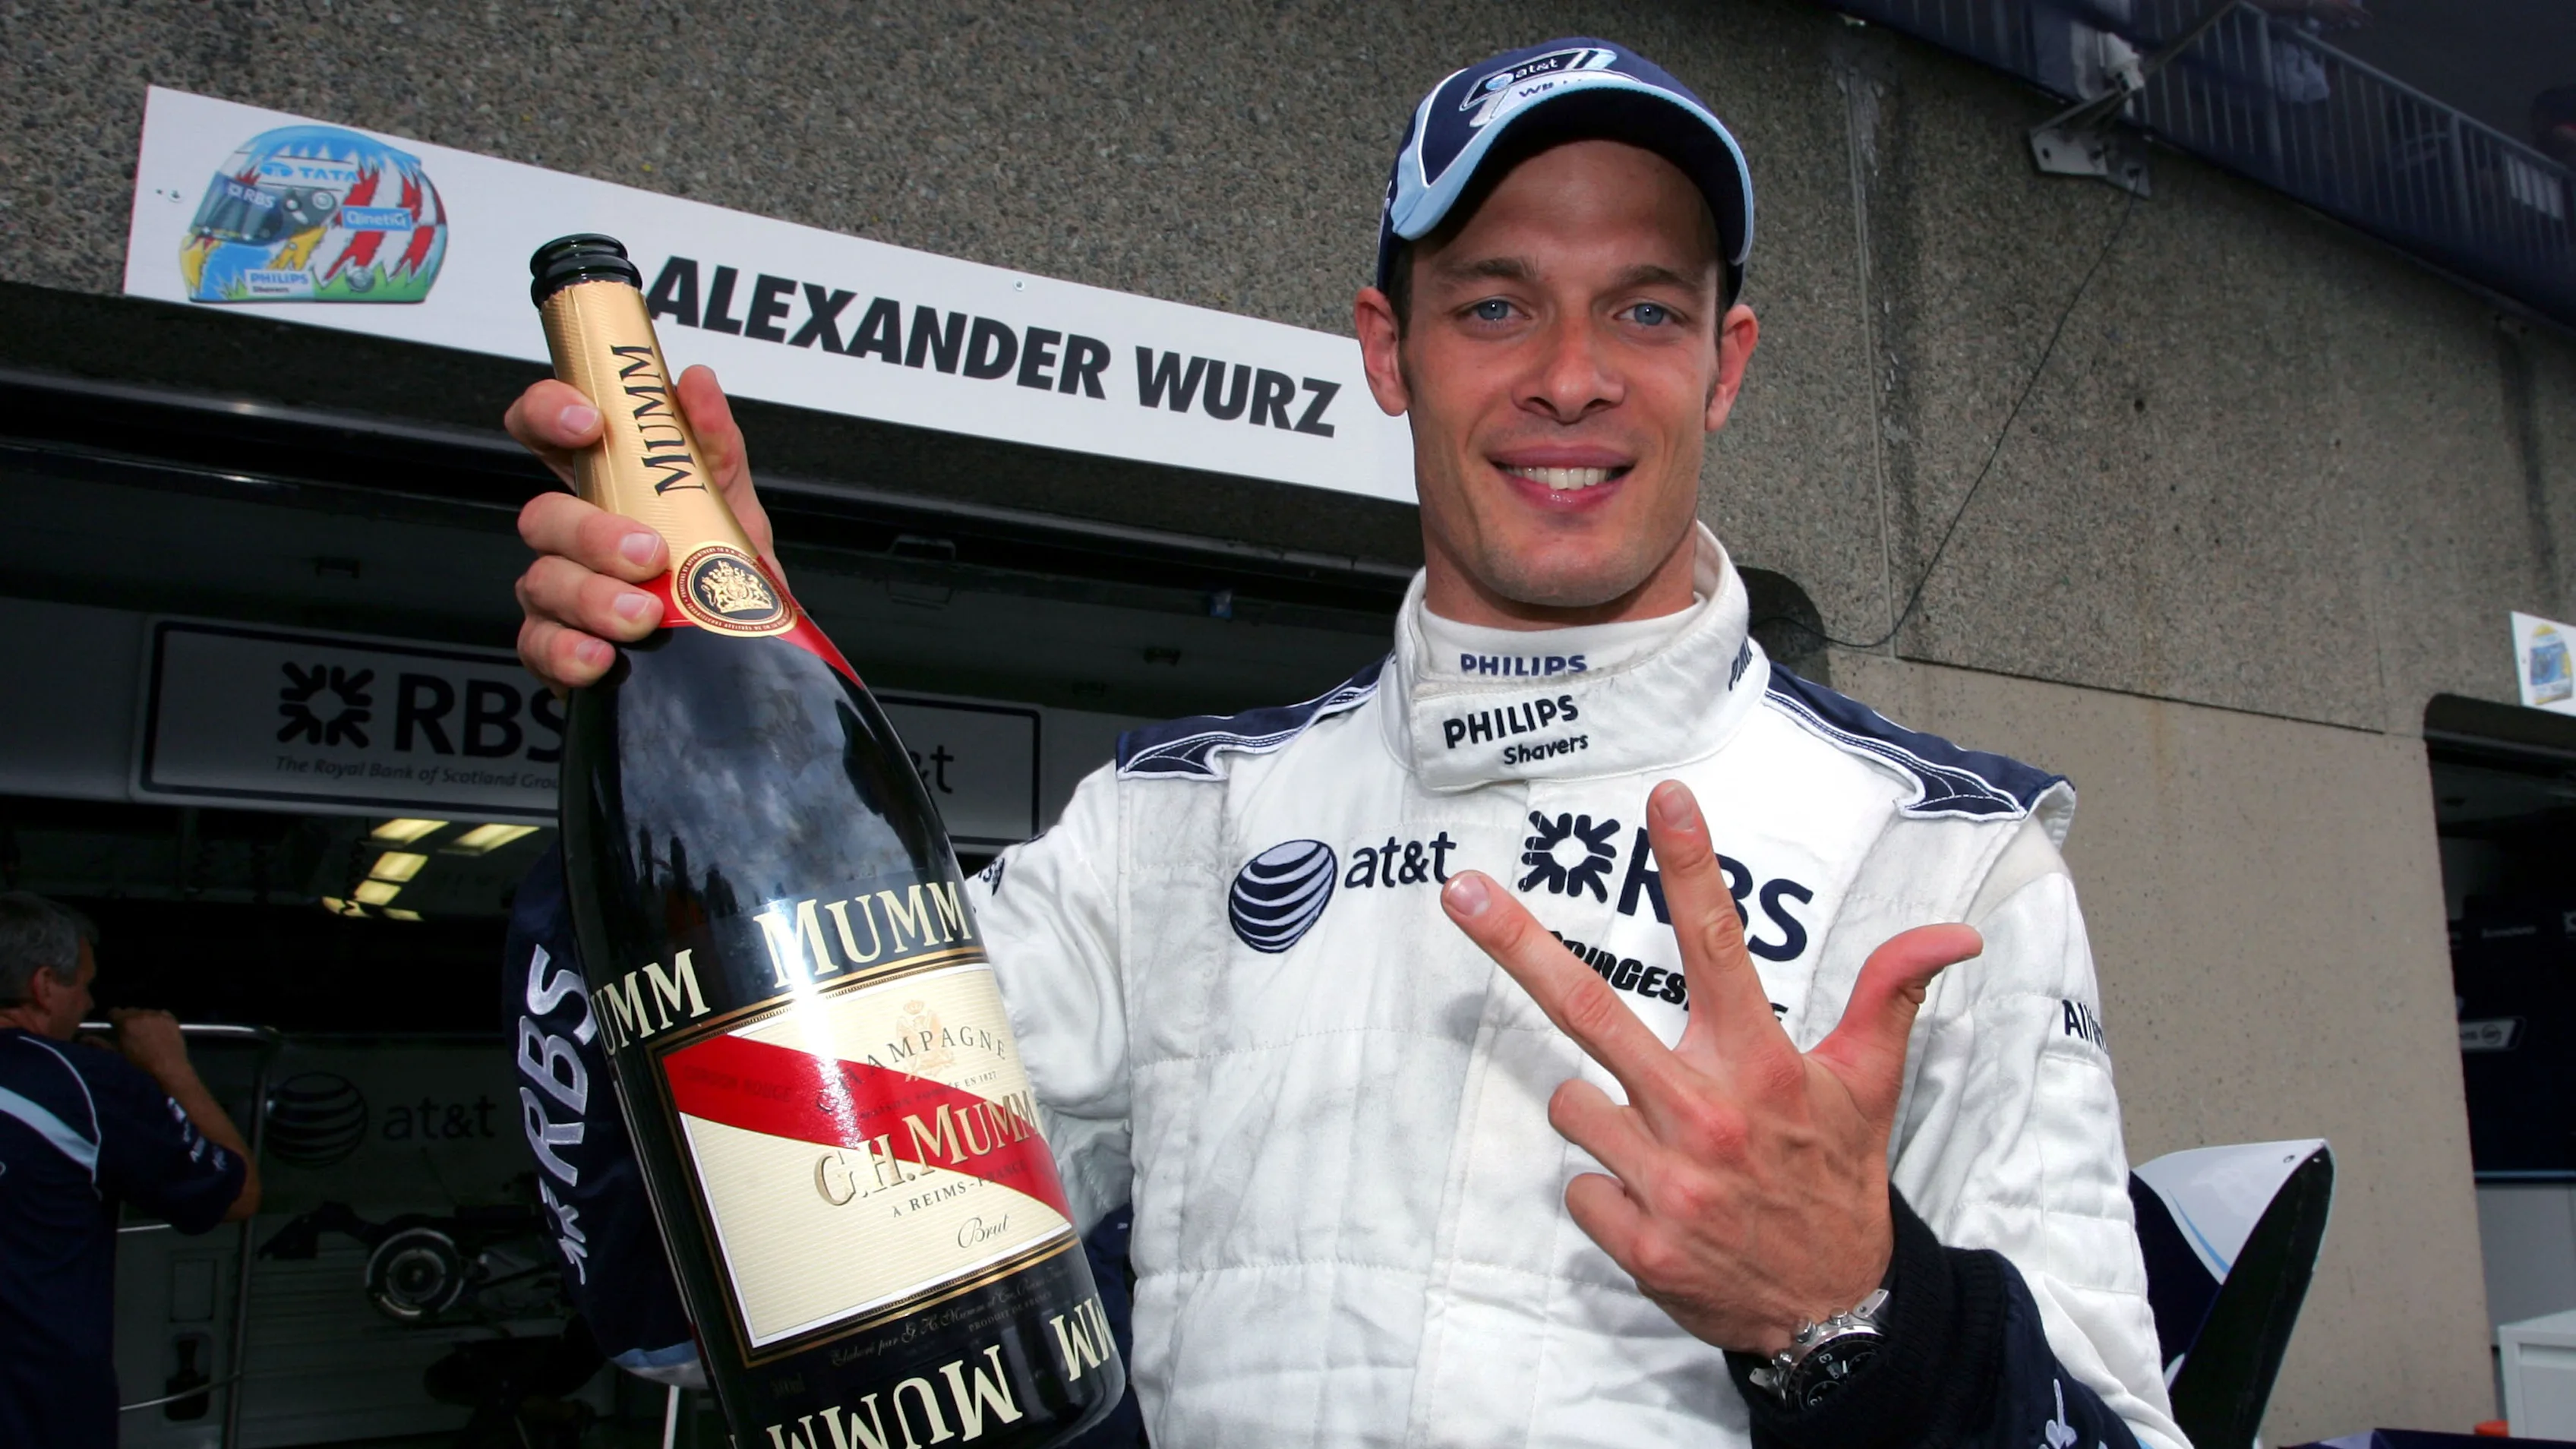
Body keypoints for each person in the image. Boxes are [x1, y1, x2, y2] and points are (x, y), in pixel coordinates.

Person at [503, 38, 2183, 1447]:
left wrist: (1859, 1310)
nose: (1574, 379)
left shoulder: (1947, 860)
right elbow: (688, 1275)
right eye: (1496, 305)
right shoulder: (1168, 830)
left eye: (1647, 313)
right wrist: (715, 766)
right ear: (1388, 351)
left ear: (1726, 365)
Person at [0, 891, 260, 1448]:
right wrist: (169, 1071)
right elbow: (236, 1193)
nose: (88, 1004)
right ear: (45, 986)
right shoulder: (84, 1083)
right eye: (85, 987)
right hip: (36, 1414)